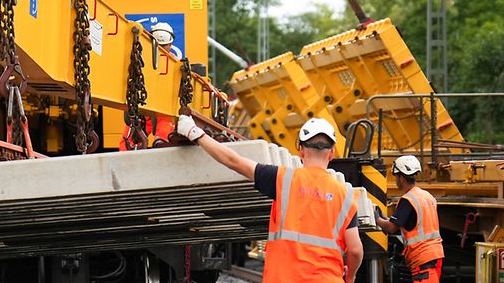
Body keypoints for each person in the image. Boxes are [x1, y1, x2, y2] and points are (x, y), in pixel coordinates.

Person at [176, 116, 363, 283]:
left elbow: (234, 161)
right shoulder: (345, 196)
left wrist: (195, 133)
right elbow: (355, 250)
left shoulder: (283, 180)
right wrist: (350, 276)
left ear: (301, 151)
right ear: (331, 154)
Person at [374, 155, 444, 283]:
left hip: (422, 259)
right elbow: (413, 222)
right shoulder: (427, 196)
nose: (396, 180)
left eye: (396, 176)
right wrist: (386, 219)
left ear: (401, 178)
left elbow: (391, 227)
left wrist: (377, 219)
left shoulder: (408, 200)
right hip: (436, 255)